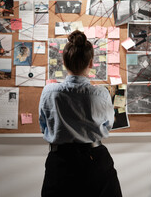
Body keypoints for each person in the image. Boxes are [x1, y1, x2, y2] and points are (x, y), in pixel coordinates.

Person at [39, 30, 122, 197]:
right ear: (91, 63)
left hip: (60, 162)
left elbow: (44, 125)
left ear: (64, 61)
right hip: (94, 161)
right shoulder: (101, 93)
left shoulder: (49, 92)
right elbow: (107, 127)